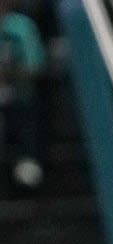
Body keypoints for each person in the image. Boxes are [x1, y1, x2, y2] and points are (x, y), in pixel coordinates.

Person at [0, 0, 44, 191]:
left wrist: (8, 74)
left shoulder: (20, 27)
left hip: (18, 97)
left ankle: (26, 163)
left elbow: (35, 67)